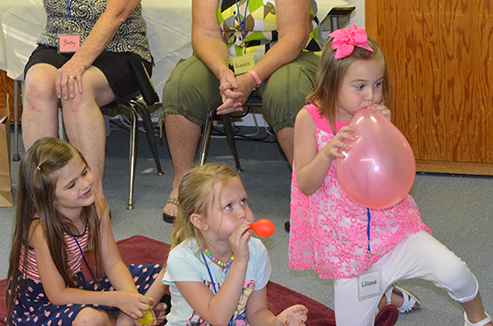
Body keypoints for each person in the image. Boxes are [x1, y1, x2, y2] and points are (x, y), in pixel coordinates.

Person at [288, 25, 493, 326]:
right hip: (347, 251)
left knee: (455, 272)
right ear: (331, 84)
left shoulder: (374, 116)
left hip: (394, 231)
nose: (371, 95)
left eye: (378, 84)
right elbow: (305, 184)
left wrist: (385, 130)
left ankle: (479, 318)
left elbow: (391, 171)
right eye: (359, 86)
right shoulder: (309, 118)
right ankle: (389, 294)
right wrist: (327, 152)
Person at [160, 0, 324, 223]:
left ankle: (307, 191)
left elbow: (292, 38)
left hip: (288, 56)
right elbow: (206, 35)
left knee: (286, 93)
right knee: (182, 86)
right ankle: (183, 182)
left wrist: (251, 79)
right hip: (230, 58)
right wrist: (222, 72)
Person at [5, 137, 168, 326]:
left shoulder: (97, 208)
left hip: (75, 287)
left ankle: (126, 317)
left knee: (158, 274)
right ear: (49, 199)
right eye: (71, 185)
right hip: (40, 305)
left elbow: (113, 263)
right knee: (89, 320)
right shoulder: (40, 230)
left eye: (84, 172)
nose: (85, 184)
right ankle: (116, 319)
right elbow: (57, 295)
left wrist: (131, 300)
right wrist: (118, 300)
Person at [21, 0, 154, 215]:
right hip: (59, 42)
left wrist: (79, 62)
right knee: (37, 85)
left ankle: (92, 198)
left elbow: (118, 13)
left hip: (119, 47)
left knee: (77, 88)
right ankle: (46, 195)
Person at [162, 163, 308, 325]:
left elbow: (256, 312)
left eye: (243, 201)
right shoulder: (182, 259)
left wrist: (275, 322)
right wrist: (240, 261)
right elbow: (218, 318)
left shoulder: (256, 250)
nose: (242, 213)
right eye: (229, 206)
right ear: (200, 221)